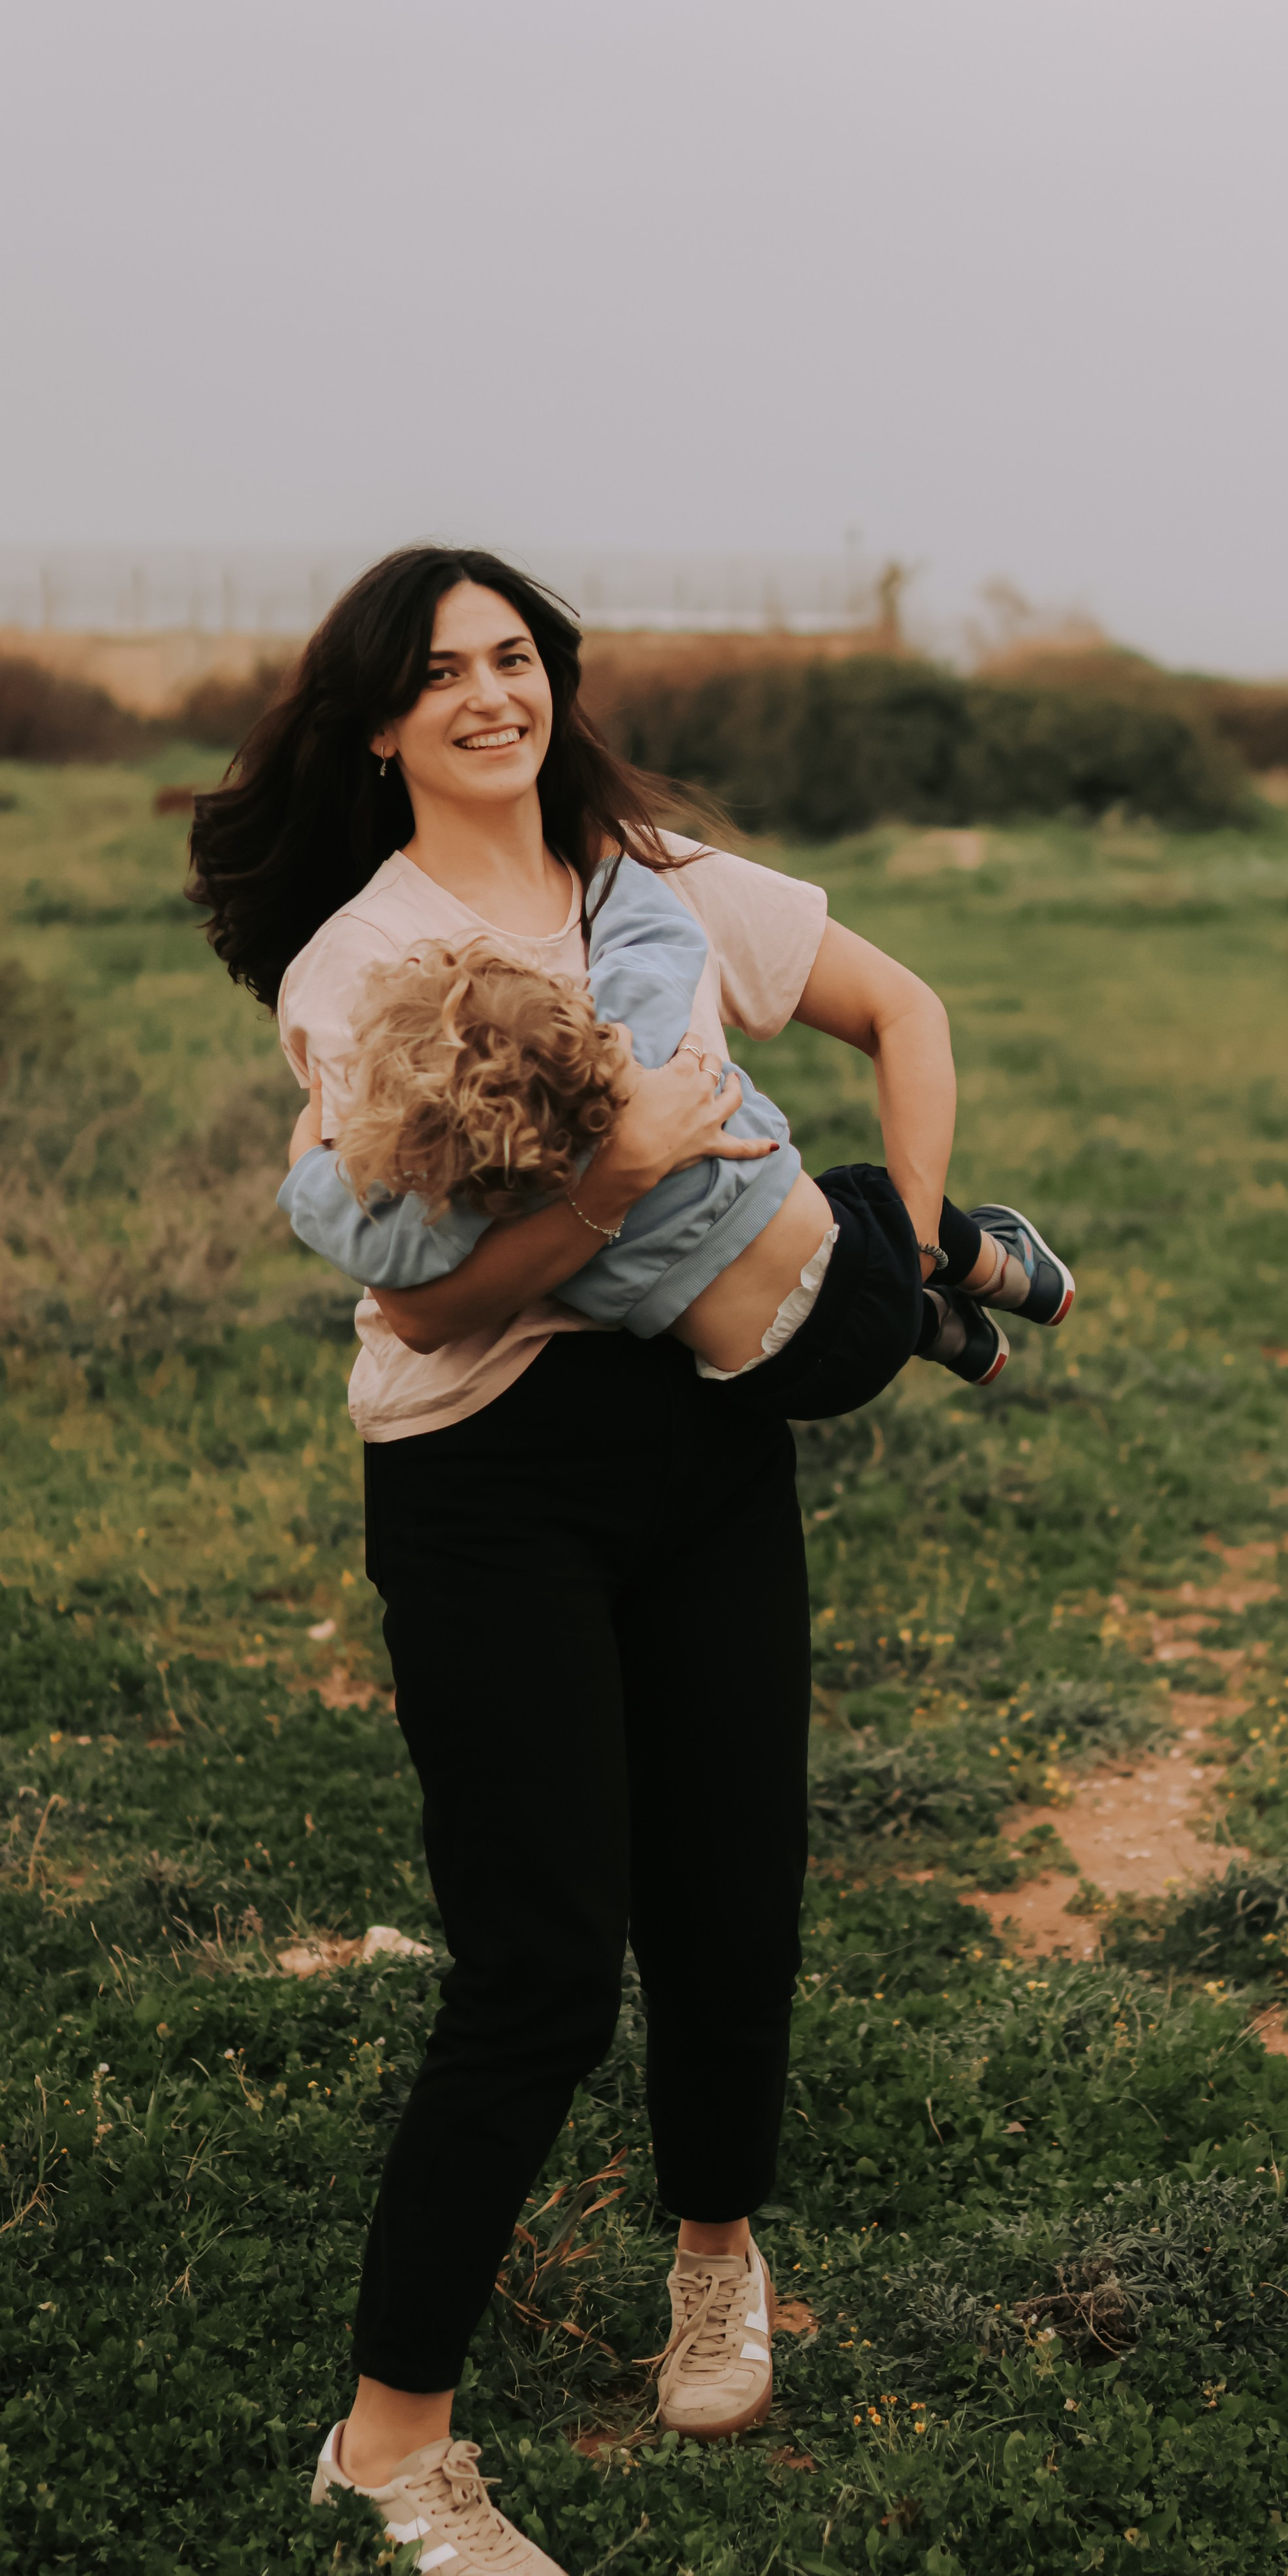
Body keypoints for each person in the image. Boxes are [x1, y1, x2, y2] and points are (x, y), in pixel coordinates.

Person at [181, 544, 1038, 2576]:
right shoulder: (360, 963)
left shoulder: (651, 874)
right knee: (545, 1966)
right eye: (444, 671)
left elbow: (896, 1002)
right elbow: (426, 1314)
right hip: (496, 1477)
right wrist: (622, 1175)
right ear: (377, 722)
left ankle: (716, 2263)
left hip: (712, 1444)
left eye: (517, 658)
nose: (493, 695)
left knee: (734, 1897)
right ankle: (391, 2446)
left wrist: (904, 1253)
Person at [278, 846, 1076, 1414]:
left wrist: (311, 1154)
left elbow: (359, 1233)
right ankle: (1005, 1272)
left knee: (847, 1293)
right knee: (863, 1192)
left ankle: (940, 1330)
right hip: (862, 1272)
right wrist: (606, 863)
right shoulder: (642, 1047)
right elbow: (656, 937)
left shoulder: (481, 1198)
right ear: (578, 1017)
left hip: (776, 1379)